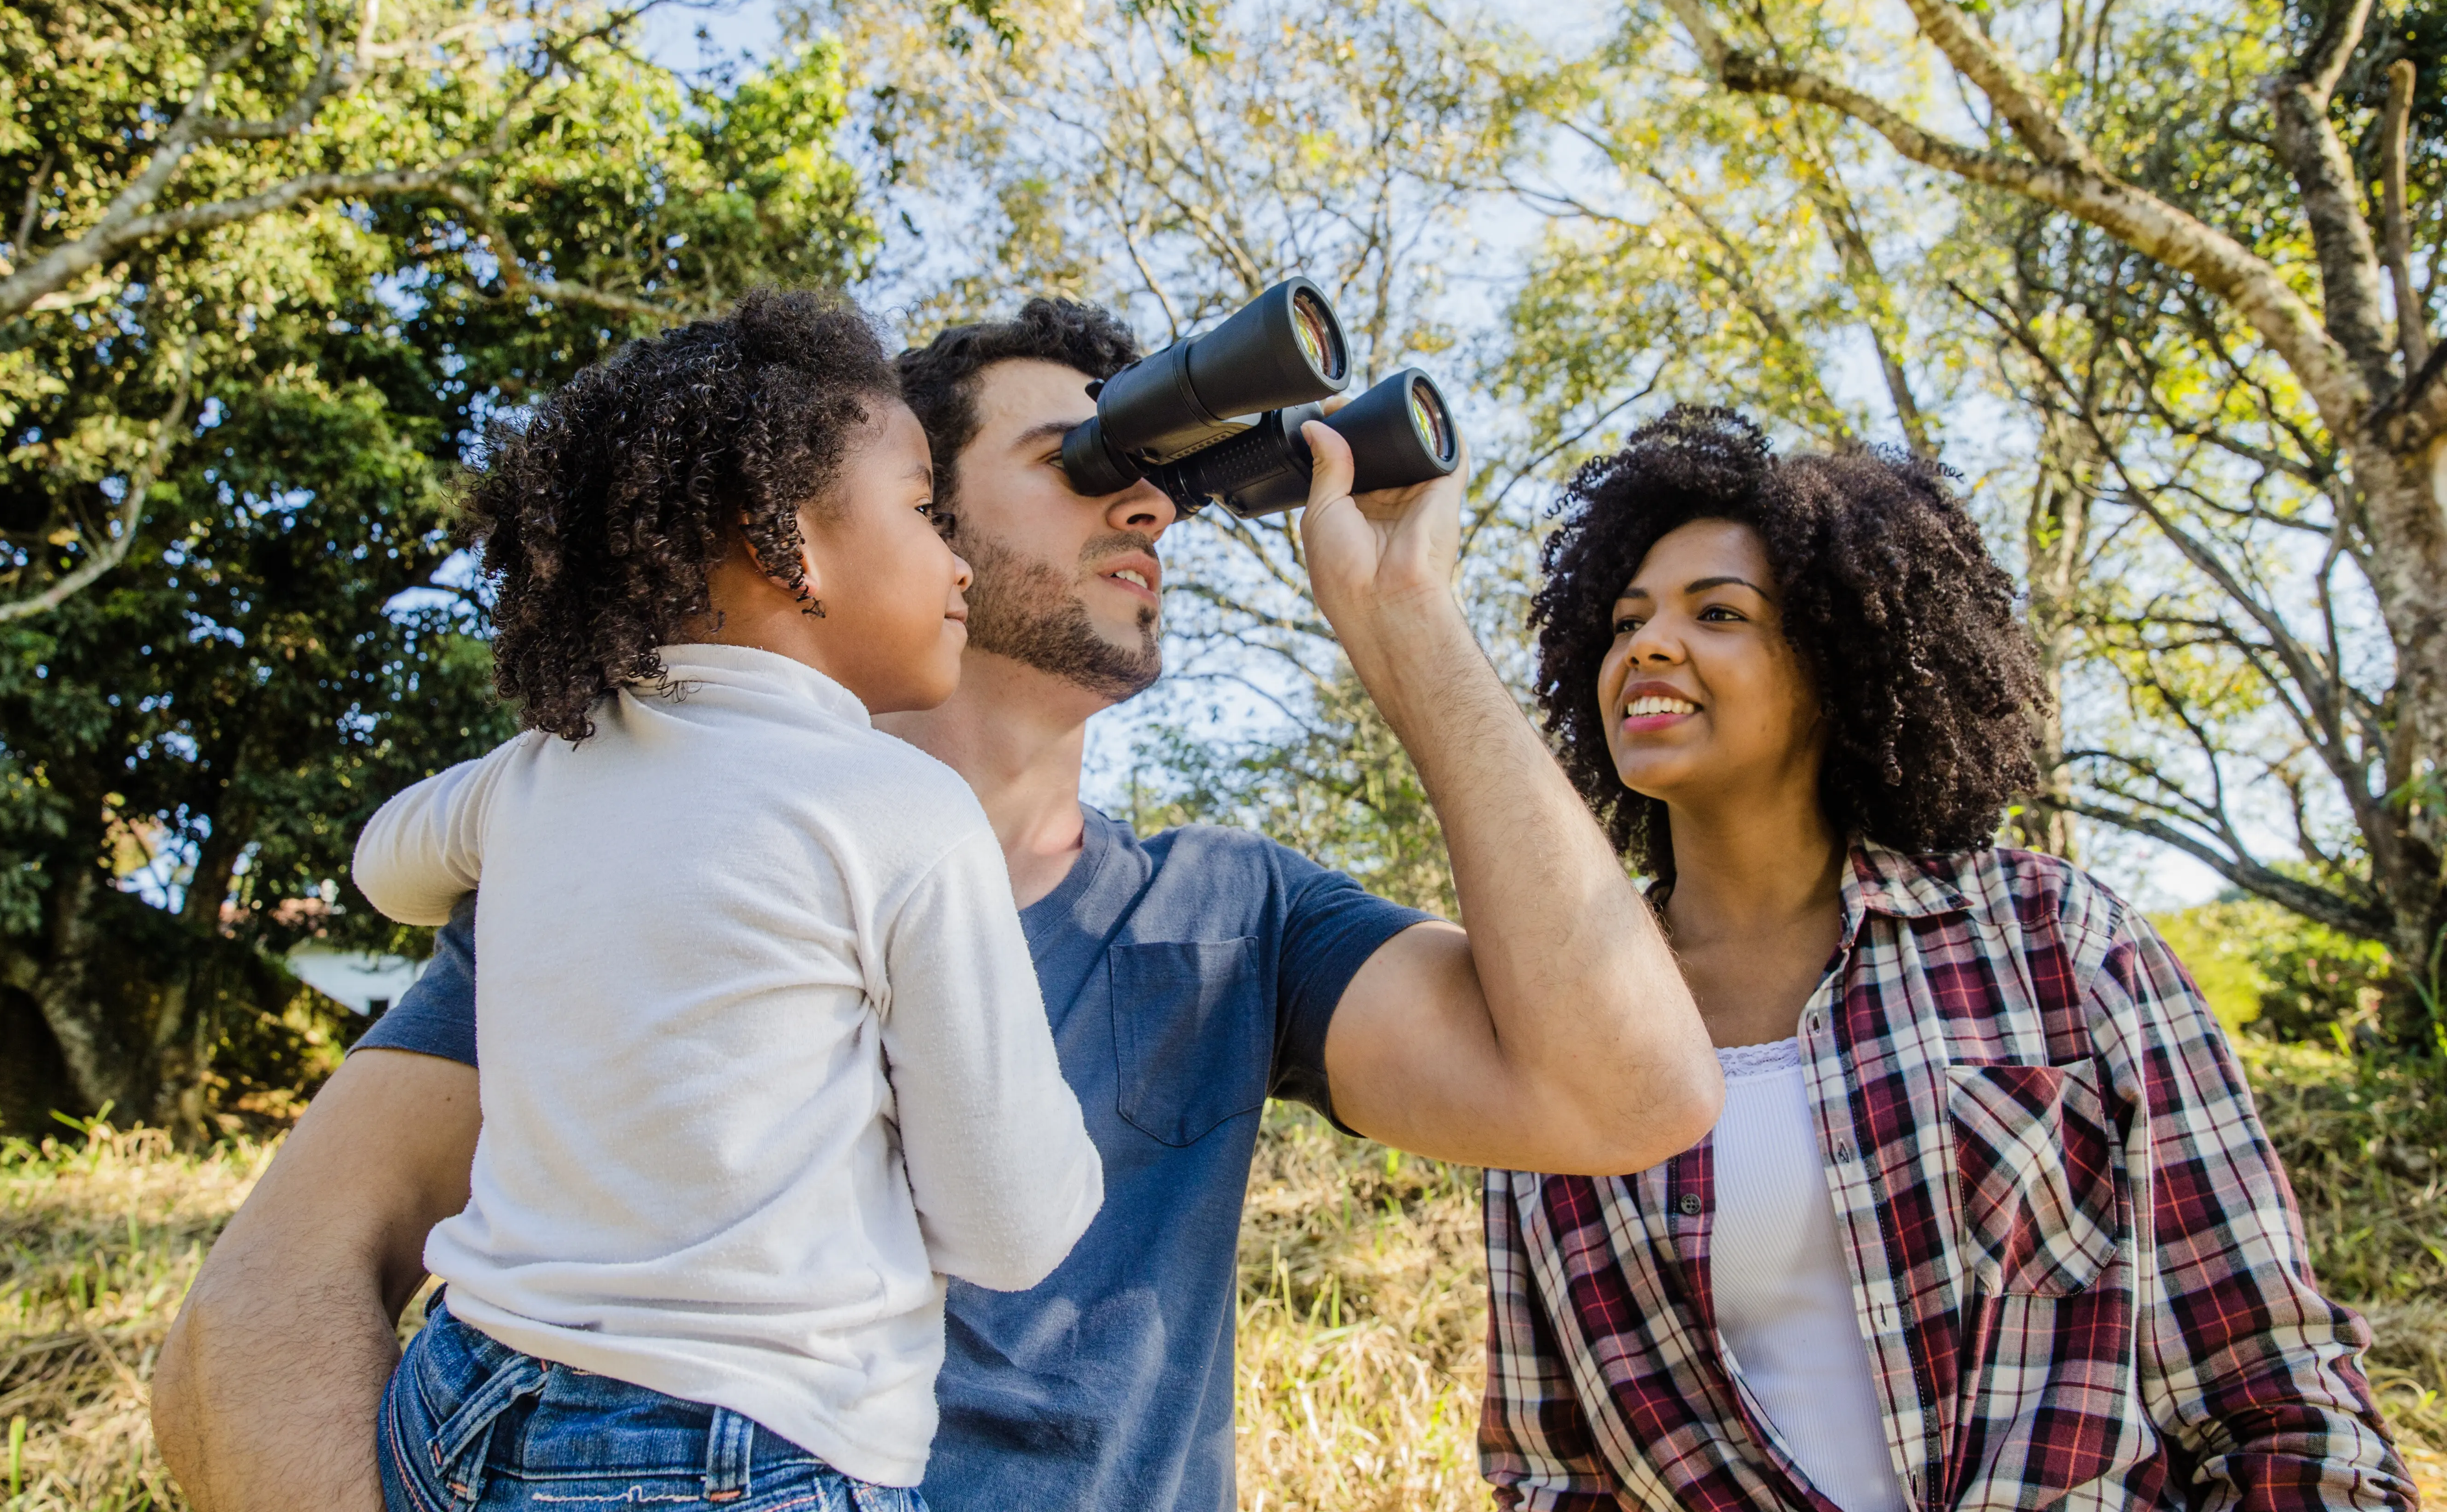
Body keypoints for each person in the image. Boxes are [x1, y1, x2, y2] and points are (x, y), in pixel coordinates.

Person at [151, 297, 1723, 1512]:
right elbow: (268, 1299)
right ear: (873, 522)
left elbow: (1629, 1086)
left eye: (1164, 479)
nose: (1152, 511)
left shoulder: (1229, 914)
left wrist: (1408, 621)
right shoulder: (634, 858)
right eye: (1084, 459)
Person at [1480, 406, 2415, 1512]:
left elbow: (2272, 1389)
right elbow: (1554, 1472)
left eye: (1718, 613)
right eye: (1624, 621)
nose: (1647, 646)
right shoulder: (1560, 1018)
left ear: (1840, 661)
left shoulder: (2053, 943)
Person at [349, 288, 1101, 1511]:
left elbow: (387, 862)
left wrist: (517, 806)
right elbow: (1010, 1232)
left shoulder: (544, 769)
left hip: (464, 1402)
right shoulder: (897, 811)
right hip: (738, 1453)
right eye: (922, 511)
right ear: (788, 542)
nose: (957, 560)